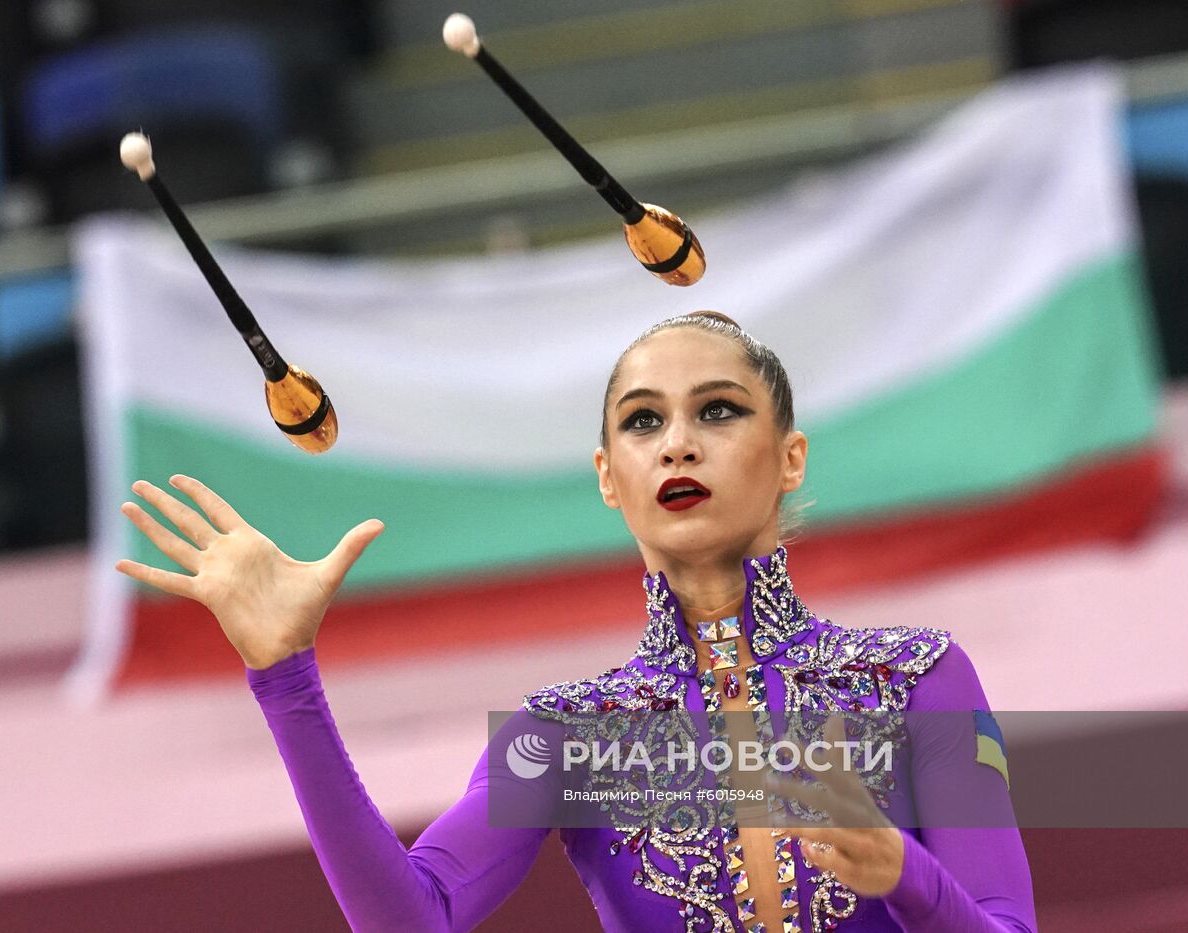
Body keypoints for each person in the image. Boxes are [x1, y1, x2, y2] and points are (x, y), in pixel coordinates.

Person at [116, 310, 1038, 932]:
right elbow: (414, 918)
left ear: (790, 457)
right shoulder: (571, 739)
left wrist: (903, 874)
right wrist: (285, 677)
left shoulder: (917, 678)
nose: (678, 440)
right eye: (644, 422)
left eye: (718, 410)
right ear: (608, 476)